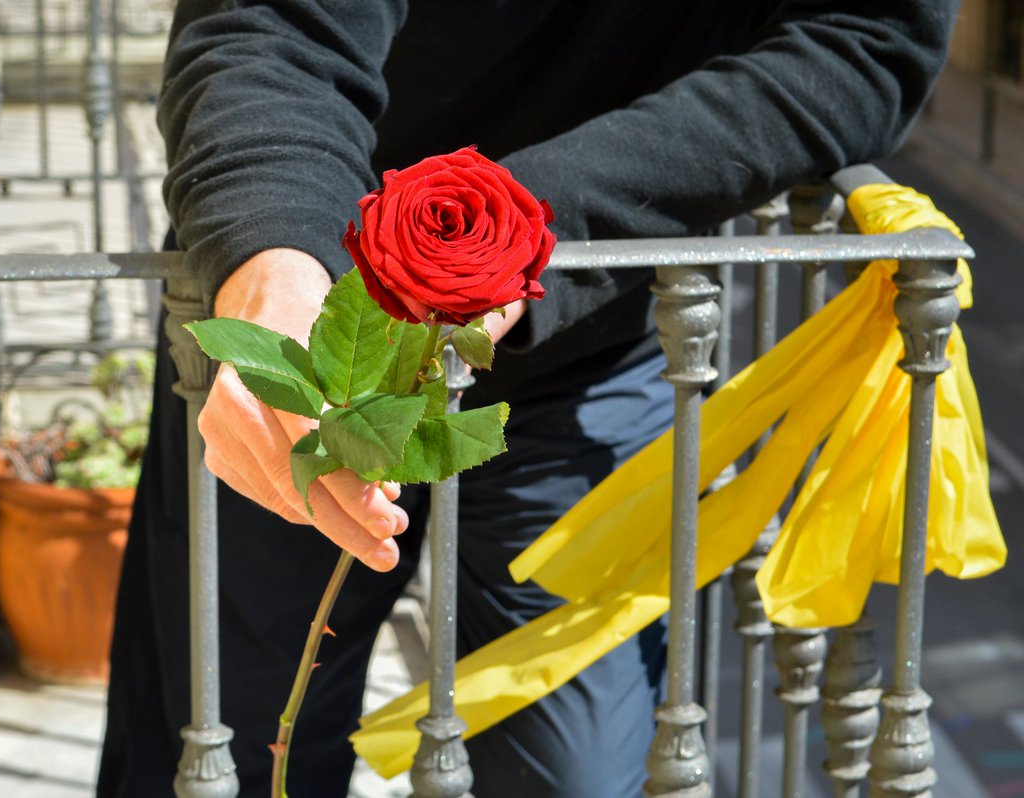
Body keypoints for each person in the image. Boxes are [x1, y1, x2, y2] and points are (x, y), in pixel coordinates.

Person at [97, 2, 958, 796]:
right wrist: (272, 256)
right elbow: (274, 21)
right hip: (311, 299)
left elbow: (867, 37)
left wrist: (517, 224)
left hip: (589, 328)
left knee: (575, 771)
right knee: (240, 749)